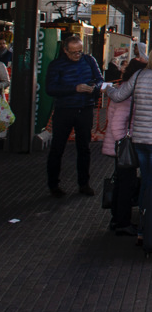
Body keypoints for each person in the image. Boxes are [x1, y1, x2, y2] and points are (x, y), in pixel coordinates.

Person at [104, 40, 152, 246]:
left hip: (138, 138)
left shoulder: (140, 75)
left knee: (147, 183)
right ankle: (149, 230)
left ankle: (143, 228)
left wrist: (107, 89)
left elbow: (120, 95)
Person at [44, 35, 104, 198]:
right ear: (65, 50)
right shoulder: (56, 65)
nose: (77, 55)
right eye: (73, 53)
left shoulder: (89, 60)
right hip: (64, 110)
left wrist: (94, 87)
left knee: (84, 148)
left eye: (79, 52)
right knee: (58, 148)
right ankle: (53, 185)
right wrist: (74, 88)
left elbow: (99, 79)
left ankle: (84, 184)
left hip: (85, 109)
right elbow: (50, 88)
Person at [101, 47, 148, 236]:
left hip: (120, 145)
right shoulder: (128, 95)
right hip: (123, 147)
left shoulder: (124, 88)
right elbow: (119, 123)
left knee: (122, 181)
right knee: (125, 183)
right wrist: (124, 144)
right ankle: (122, 221)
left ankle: (117, 219)